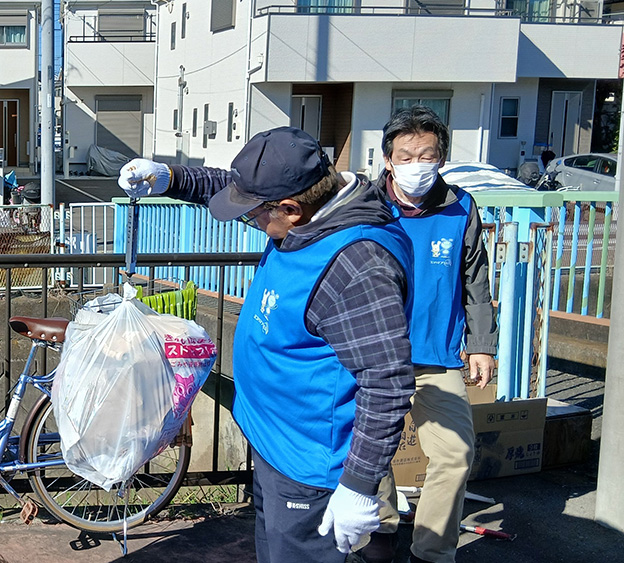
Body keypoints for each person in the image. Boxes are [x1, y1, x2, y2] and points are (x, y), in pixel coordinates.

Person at [118, 127, 416, 563]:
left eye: (256, 214)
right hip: (277, 444)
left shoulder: (358, 264)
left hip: (310, 467)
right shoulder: (312, 213)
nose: (252, 222)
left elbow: (387, 382)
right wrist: (169, 178)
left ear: (292, 209)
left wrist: (358, 485)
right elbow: (236, 190)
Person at [360, 105, 498, 563]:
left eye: (427, 155)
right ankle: (379, 538)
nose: (416, 165)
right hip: (373, 354)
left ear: (441, 158)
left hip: (438, 356)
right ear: (387, 158)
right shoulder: (366, 207)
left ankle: (432, 552)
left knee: (456, 454)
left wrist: (480, 345)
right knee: (372, 454)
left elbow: (475, 279)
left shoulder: (461, 207)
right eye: (406, 155)